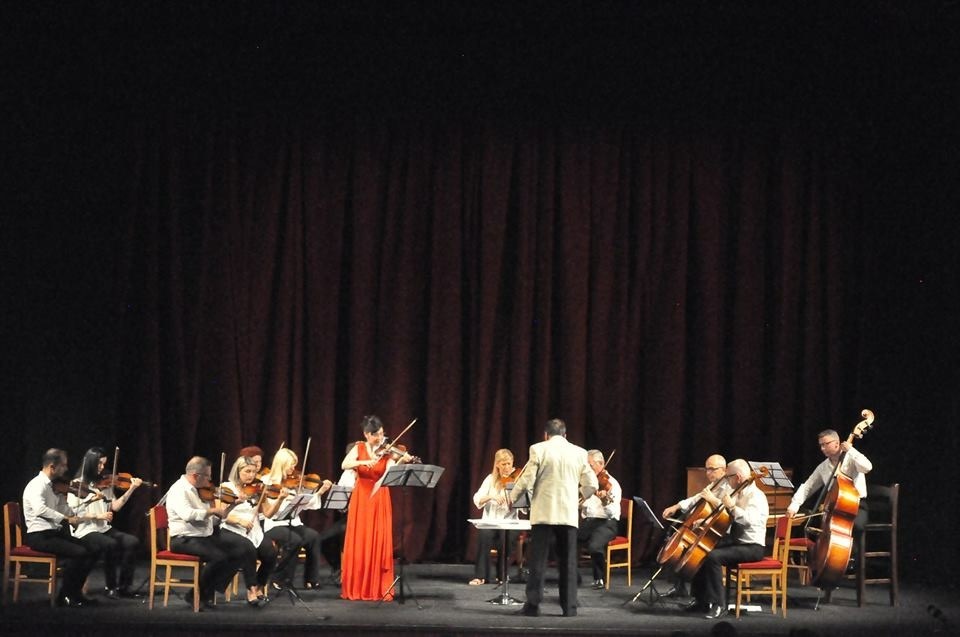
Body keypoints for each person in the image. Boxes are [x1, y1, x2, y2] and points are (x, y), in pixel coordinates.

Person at [508, 418, 598, 617]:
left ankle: (533, 606)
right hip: (567, 514)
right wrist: (578, 498)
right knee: (568, 563)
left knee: (538, 561)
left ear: (545, 435)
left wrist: (512, 498)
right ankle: (569, 608)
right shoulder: (579, 452)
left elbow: (527, 480)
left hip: (543, 513)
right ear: (565, 435)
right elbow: (592, 484)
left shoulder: (538, 449)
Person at [340, 414, 417, 601]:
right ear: (367, 434)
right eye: (376, 435)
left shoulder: (387, 451)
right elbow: (344, 464)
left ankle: (377, 586)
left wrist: (402, 460)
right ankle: (358, 586)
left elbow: (390, 472)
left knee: (378, 537)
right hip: (361, 497)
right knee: (361, 538)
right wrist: (363, 462)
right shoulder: (359, 448)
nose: (381, 438)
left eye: (382, 434)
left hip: (380, 496)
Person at [686, 458, 768, 619]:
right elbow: (725, 517)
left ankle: (719, 604)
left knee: (713, 557)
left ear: (737, 477)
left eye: (728, 476)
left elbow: (748, 521)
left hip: (752, 546)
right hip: (736, 542)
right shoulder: (737, 492)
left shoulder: (756, 496)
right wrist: (705, 522)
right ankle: (701, 601)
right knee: (702, 548)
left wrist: (732, 506)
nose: (726, 480)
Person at [164, 456, 246, 608]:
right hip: (183, 539)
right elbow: (187, 515)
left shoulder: (200, 491)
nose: (210, 480)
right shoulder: (179, 490)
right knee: (218, 557)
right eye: (207, 476)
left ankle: (207, 592)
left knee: (239, 552)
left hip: (202, 537)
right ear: (196, 476)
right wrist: (212, 510)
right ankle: (196, 595)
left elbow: (213, 520)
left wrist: (232, 505)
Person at [22, 448, 98, 607]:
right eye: (63, 465)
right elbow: (40, 510)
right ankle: (65, 596)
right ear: (52, 467)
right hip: (39, 536)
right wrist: (65, 518)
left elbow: (66, 509)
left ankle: (75, 593)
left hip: (53, 533)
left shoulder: (54, 487)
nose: (66, 469)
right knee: (79, 553)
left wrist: (85, 505)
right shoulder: (37, 485)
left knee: (94, 549)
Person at [67, 446, 142, 599]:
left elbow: (116, 506)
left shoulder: (104, 483)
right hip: (85, 529)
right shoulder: (77, 484)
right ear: (90, 463)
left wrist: (131, 489)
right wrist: (98, 516)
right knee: (110, 544)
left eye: (104, 464)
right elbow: (74, 513)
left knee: (132, 541)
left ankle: (124, 586)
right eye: (99, 463)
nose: (102, 468)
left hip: (103, 528)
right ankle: (111, 586)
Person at [261, 447, 333, 590]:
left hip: (292, 522)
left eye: (294, 465)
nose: (293, 469)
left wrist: (320, 492)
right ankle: (280, 578)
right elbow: (268, 511)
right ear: (281, 464)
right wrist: (282, 499)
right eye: (291, 465)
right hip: (274, 524)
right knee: (294, 540)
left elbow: (306, 504)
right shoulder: (267, 482)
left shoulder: (294, 482)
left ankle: (311, 579)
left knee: (314, 536)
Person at [660, 454, 729, 597]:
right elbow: (696, 499)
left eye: (712, 469)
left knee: (691, 550)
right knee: (677, 542)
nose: (708, 473)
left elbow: (727, 512)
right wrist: (676, 506)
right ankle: (680, 587)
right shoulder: (713, 485)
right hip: (704, 528)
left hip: (718, 532)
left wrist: (712, 500)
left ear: (724, 470)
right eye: (707, 469)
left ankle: (700, 596)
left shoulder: (728, 487)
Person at [219, 455, 279, 604]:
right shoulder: (227, 488)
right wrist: (239, 520)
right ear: (237, 471)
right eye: (247, 471)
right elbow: (221, 515)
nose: (251, 475)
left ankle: (259, 586)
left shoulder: (258, 489)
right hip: (231, 529)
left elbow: (268, 513)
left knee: (271, 552)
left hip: (254, 531)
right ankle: (251, 589)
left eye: (253, 472)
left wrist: (280, 499)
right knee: (249, 549)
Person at [786, 428, 873, 529]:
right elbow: (808, 487)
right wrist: (794, 506)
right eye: (821, 445)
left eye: (826, 444)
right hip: (834, 507)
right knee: (816, 527)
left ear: (837, 443)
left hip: (856, 505)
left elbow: (867, 467)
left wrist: (851, 450)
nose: (822, 448)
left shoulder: (852, 457)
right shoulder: (823, 467)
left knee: (855, 527)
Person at [469, 448, 521, 586]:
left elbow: (524, 507)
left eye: (509, 463)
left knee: (507, 538)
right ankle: (480, 576)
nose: (507, 467)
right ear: (497, 464)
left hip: (510, 522)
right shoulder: (490, 479)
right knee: (484, 536)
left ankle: (502, 574)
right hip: (491, 521)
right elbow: (477, 498)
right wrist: (491, 496)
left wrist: (513, 494)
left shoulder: (517, 480)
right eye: (503, 464)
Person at [577, 449, 622, 589]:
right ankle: (573, 577)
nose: (588, 469)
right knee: (568, 540)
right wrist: (579, 503)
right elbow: (585, 507)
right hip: (589, 522)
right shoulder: (588, 483)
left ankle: (600, 578)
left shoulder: (612, 484)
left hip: (607, 523)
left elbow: (611, 512)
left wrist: (604, 501)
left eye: (591, 465)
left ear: (601, 464)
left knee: (594, 546)